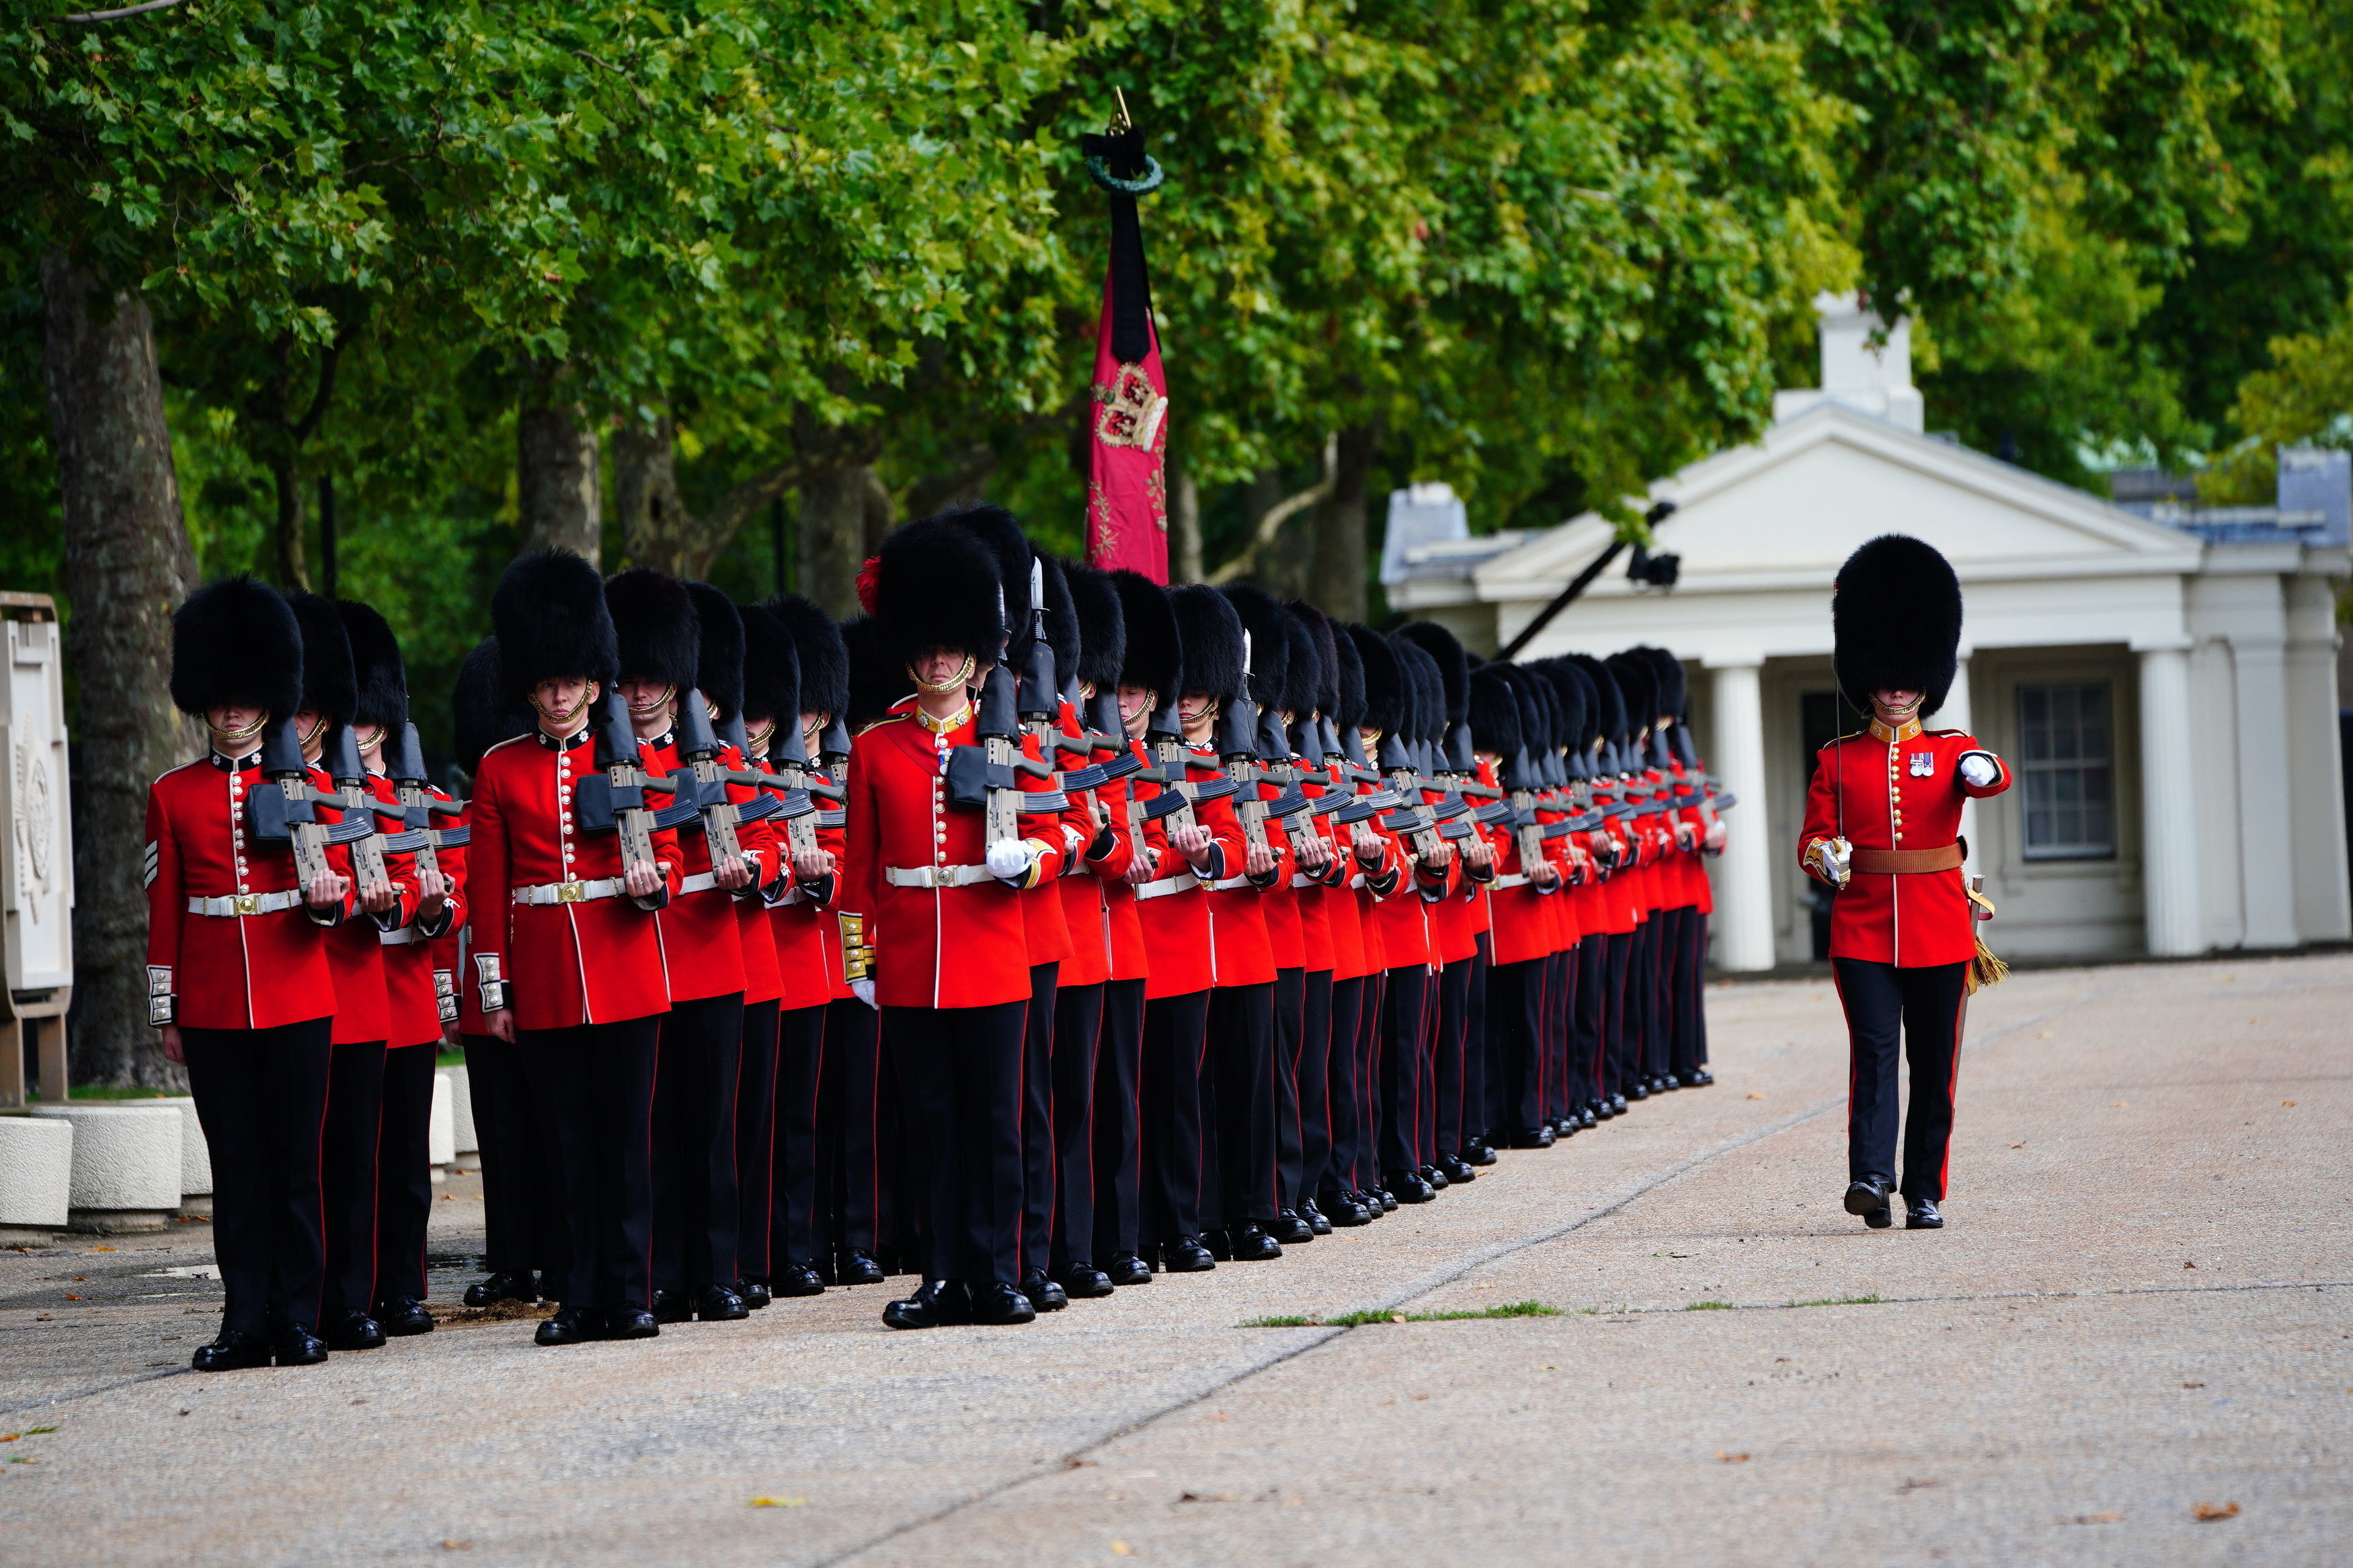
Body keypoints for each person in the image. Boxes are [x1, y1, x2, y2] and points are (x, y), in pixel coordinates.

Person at [851, 509, 1066, 1329]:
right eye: (927, 643)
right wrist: (857, 966)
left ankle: (998, 1271)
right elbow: (859, 874)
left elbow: (1051, 836)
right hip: (908, 963)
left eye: (952, 644)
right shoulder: (875, 747)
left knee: (996, 1128)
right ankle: (941, 1275)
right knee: (931, 1130)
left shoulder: (1006, 737)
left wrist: (1030, 862)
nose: (939, 657)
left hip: (991, 955)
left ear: (974, 649)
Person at [471, 550, 680, 1347]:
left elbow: (681, 853)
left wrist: (654, 874)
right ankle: (580, 1294)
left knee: (626, 1143)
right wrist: (496, 993)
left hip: (625, 968)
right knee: (567, 1148)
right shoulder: (500, 769)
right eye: (545, 681)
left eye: (570, 680)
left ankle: (629, 1293)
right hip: (549, 978)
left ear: (594, 680)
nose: (558, 694)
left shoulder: (641, 759)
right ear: (529, 684)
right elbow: (490, 893)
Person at [148, 577, 354, 1371]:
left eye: (245, 694)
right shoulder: (172, 794)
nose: (232, 709)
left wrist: (329, 898)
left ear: (270, 697)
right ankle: (244, 1318)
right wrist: (167, 1006)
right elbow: (164, 908)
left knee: (296, 1167)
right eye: (220, 695)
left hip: (298, 993)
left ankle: (298, 1317)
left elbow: (334, 890)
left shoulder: (313, 790)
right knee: (235, 1172)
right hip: (212, 1004)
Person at [1800, 534, 2011, 1231]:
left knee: (1932, 1066)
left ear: (1926, 675)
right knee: (1873, 1054)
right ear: (1865, 676)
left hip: (1939, 927)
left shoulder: (1949, 749)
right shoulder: (1836, 760)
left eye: (1906, 675)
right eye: (1884, 676)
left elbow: (1986, 771)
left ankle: (1923, 1187)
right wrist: (1822, 859)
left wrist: (1983, 772)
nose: (1894, 688)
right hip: (1861, 928)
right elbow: (1810, 839)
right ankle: (1869, 1176)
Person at [606, 569, 766, 1326]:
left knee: (710, 1127)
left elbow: (763, 842)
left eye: (654, 679)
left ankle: (718, 1271)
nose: (640, 694)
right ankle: (662, 1275)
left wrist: (749, 870)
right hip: (632, 960)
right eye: (629, 679)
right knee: (650, 1128)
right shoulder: (600, 769)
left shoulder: (717, 765)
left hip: (706, 955)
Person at [338, 599, 462, 1340]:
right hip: (349, 989)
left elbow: (456, 886)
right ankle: (349, 1288)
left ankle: (404, 1285)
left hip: (407, 988)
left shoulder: (426, 803)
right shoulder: (318, 798)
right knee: (350, 1155)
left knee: (405, 1160)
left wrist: (428, 907)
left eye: (359, 716)